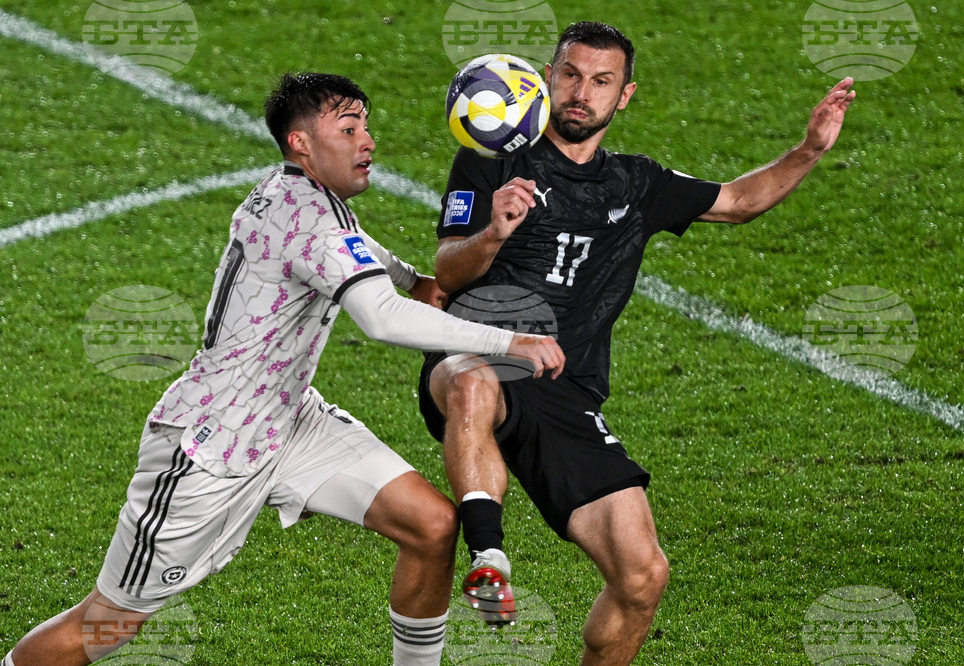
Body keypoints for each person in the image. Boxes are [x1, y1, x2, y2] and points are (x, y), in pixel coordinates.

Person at [3, 72, 565, 666]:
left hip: (291, 422)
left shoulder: (295, 190)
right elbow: (380, 319)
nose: (367, 140)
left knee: (429, 524)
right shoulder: (311, 217)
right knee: (109, 624)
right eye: (348, 129)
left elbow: (358, 246)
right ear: (301, 143)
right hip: (210, 445)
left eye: (366, 126)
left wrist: (412, 277)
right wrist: (508, 340)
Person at [418, 21, 856, 665]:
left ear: (623, 96)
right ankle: (488, 554)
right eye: (570, 75)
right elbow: (447, 272)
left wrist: (810, 149)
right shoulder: (493, 158)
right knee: (471, 380)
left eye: (601, 82)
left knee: (642, 576)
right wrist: (494, 233)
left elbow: (736, 201)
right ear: (546, 78)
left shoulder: (636, 184)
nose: (581, 92)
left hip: (566, 387)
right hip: (479, 348)